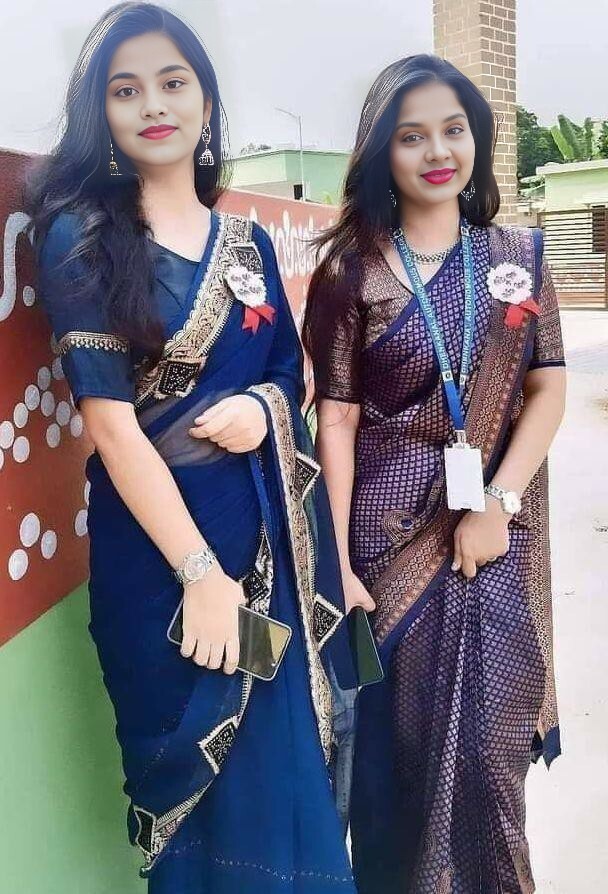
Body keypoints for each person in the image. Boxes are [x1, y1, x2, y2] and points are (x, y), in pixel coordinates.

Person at [27, 4, 356, 891]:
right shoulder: (83, 237)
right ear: (102, 111)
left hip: (269, 550)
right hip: (163, 565)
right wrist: (202, 576)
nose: (153, 104)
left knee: (284, 789)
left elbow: (288, 372)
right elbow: (110, 424)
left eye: (172, 82)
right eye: (125, 89)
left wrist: (258, 405)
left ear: (206, 102)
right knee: (199, 801)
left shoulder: (248, 244)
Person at [305, 54, 566, 894]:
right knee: (396, 767)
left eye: (453, 130)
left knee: (490, 759)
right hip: (387, 546)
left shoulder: (518, 256)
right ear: (383, 150)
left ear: (477, 139)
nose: (437, 151)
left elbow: (548, 389)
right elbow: (336, 420)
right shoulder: (352, 271)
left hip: (493, 537)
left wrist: (498, 501)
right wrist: (339, 563)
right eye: (411, 136)